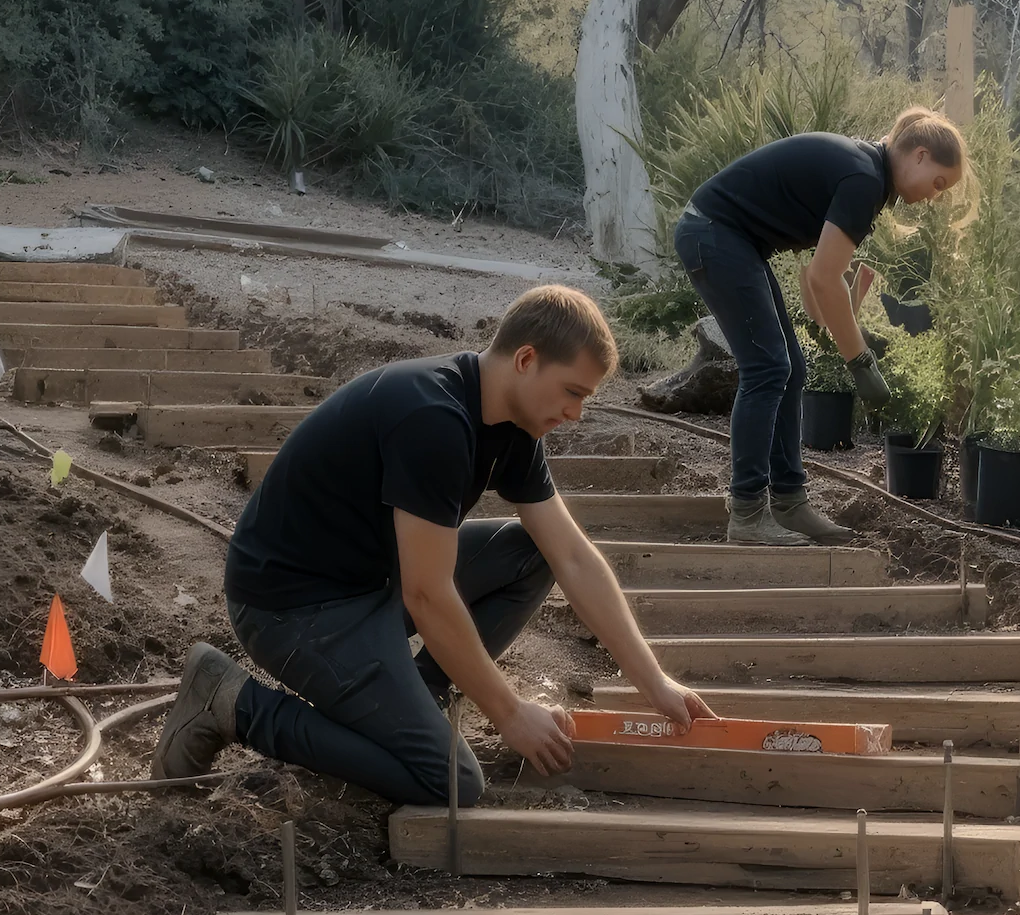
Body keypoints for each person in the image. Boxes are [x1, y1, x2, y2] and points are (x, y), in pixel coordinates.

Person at [153, 283, 718, 797]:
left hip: (369, 582)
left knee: (532, 555)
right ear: (526, 360)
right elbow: (427, 594)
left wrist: (655, 682)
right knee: (451, 782)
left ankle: (411, 706)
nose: (574, 413)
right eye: (572, 392)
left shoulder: (513, 429)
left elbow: (570, 554)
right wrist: (510, 713)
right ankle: (232, 703)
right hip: (293, 608)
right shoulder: (433, 418)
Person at [673, 107, 973, 542]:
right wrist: (861, 363)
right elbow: (823, 277)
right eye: (939, 183)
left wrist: (845, 332)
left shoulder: (866, 173)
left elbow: (813, 274)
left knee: (790, 367)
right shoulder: (864, 179)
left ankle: (790, 503)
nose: (934, 196)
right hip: (715, 233)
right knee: (767, 369)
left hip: (733, 240)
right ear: (920, 156)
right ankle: (748, 513)